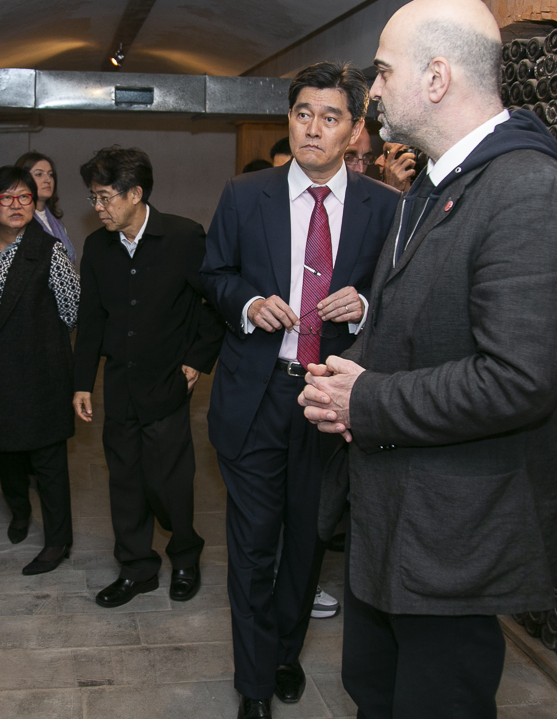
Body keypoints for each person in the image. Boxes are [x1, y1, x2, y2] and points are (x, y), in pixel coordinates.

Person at [298, 0, 557, 719]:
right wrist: (345, 374)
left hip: (452, 536)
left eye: (383, 71)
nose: (373, 92)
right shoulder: (435, 187)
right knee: (373, 692)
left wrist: (365, 399)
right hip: (393, 515)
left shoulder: (529, 190)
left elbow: (517, 379)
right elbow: (413, 320)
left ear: (436, 77)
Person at [201, 62, 399, 719]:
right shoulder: (245, 193)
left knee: (307, 543)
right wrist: (249, 302)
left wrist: (366, 307)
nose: (313, 128)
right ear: (289, 120)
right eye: (303, 113)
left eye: (330, 117)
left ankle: (285, 650)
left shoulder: (384, 207)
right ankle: (255, 683)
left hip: (330, 401)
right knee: (253, 544)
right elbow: (214, 273)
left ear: (355, 130)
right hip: (256, 397)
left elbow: (401, 297)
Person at [72, 145, 225, 608]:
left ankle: (185, 557)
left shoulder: (183, 237)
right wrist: (82, 382)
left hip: (167, 383)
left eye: (105, 197)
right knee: (125, 482)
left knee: (169, 482)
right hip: (119, 385)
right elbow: (91, 318)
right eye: (94, 198)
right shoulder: (98, 246)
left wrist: (197, 358)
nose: (98, 207)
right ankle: (136, 568)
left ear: (135, 193)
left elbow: (216, 302)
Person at [0, 166, 81, 576]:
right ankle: (19, 511)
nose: (16, 205)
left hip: (35, 375)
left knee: (48, 461)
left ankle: (58, 541)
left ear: (34, 203)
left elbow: (72, 311)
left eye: (25, 197)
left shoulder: (48, 251)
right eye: (6, 198)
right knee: (4, 451)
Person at [16, 151, 77, 263]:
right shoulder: (16, 220)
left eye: (50, 175)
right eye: (39, 174)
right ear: (23, 179)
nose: (47, 180)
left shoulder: (57, 224)